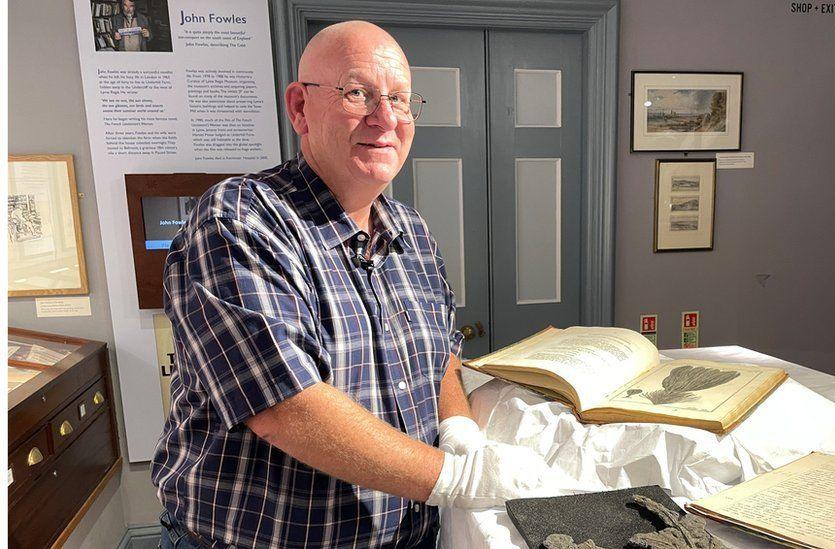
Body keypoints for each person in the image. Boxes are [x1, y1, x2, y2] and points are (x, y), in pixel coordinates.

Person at [150, 20, 576, 549]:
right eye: (359, 94)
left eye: (400, 99)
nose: (386, 119)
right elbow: (285, 408)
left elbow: (441, 356)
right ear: (300, 108)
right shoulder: (239, 219)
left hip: (411, 535)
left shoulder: (412, 233)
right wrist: (458, 478)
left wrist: (460, 432)